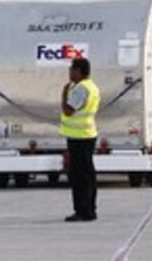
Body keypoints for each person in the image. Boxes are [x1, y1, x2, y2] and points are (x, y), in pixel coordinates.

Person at [60, 57, 99, 222]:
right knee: (88, 174)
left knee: (79, 176)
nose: (69, 72)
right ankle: (90, 208)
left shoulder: (80, 89)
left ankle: (82, 210)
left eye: (71, 69)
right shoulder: (92, 86)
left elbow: (69, 110)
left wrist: (64, 96)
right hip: (87, 134)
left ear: (78, 71)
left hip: (79, 137)